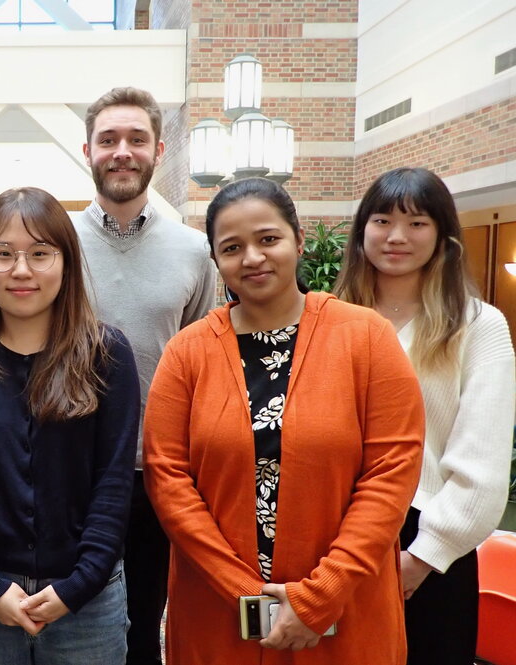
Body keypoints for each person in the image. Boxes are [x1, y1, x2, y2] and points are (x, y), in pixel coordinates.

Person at [144, 177, 425, 664]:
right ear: (216, 261)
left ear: (297, 240)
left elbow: (392, 473)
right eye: (232, 248)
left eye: (267, 239)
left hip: (346, 605)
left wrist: (319, 595)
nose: (252, 257)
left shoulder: (367, 339)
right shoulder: (187, 352)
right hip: (217, 607)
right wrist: (243, 591)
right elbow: (168, 478)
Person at [0, 187, 140, 664]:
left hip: (86, 599)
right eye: (3, 254)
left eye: (40, 253)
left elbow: (114, 481)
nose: (21, 270)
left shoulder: (106, 355)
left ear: (65, 263)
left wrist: (78, 585)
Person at [334, 167, 516, 665]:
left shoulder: (478, 326)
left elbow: (482, 466)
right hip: (334, 532)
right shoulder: (328, 318)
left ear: (442, 234)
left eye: (417, 223)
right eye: (382, 220)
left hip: (430, 542)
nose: (396, 236)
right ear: (361, 231)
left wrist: (423, 557)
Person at [73, 86, 216, 665]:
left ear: (159, 149)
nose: (122, 152)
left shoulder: (195, 250)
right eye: (108, 140)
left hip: (161, 469)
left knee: (144, 624)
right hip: (74, 464)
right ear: (87, 151)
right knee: (76, 619)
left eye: (136, 139)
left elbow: (209, 362)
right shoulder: (55, 245)